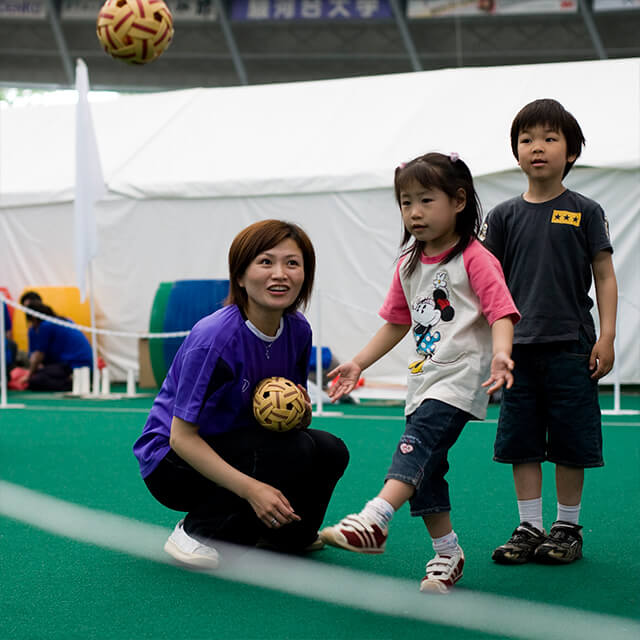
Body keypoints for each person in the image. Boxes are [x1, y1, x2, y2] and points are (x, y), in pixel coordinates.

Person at [320, 152, 520, 593]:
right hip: (424, 379)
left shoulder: (475, 258)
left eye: (426, 200)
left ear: (459, 200)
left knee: (417, 445)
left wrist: (502, 354)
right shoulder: (409, 264)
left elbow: (501, 311)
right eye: (406, 202)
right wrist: (357, 362)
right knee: (427, 469)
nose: (414, 212)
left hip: (461, 377)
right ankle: (447, 554)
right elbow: (396, 321)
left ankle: (375, 518)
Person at [133, 220, 349, 569]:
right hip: (171, 462)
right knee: (293, 450)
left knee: (329, 449)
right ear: (239, 275)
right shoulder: (214, 339)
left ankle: (290, 534)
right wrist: (252, 489)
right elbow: (181, 437)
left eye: (292, 263)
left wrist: (301, 414)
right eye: (266, 262)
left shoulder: (297, 330)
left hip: (244, 443)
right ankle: (194, 532)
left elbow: (288, 418)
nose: (280, 274)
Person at [481, 98, 617, 565]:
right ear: (516, 153)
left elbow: (605, 275)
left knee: (570, 439)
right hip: (516, 350)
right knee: (521, 439)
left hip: (571, 345)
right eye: (526, 140)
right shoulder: (501, 217)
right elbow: (485, 282)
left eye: (549, 138)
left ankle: (567, 527)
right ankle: (528, 527)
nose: (536, 147)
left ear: (572, 152)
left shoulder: (585, 210)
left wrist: (608, 336)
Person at [20, 301, 93, 391]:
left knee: (36, 381)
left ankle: (73, 383)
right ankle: (79, 381)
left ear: (34, 318)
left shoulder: (45, 326)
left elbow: (39, 355)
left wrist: (29, 376)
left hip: (73, 364)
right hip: (85, 364)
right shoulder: (64, 320)